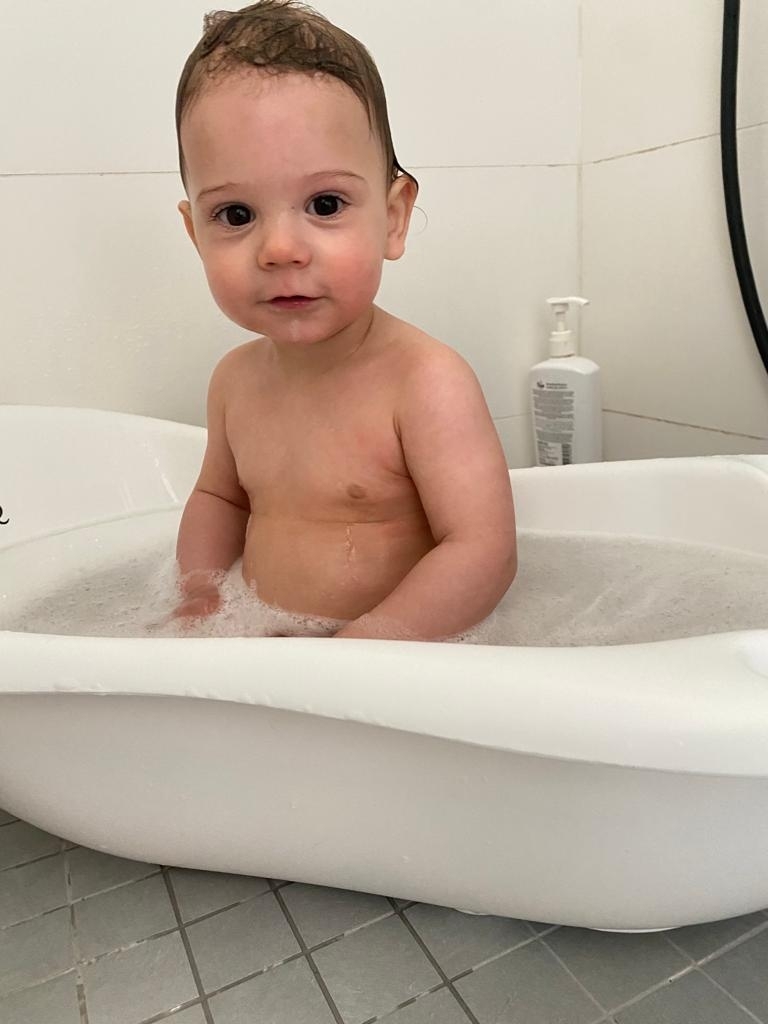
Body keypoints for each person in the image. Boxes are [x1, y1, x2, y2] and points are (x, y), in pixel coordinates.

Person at [171, 0, 517, 640]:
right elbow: (219, 499)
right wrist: (199, 595)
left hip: (399, 667)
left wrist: (359, 653)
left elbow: (482, 551)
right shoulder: (233, 382)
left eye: (325, 204)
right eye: (236, 215)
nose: (280, 249)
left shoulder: (425, 382)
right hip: (268, 657)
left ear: (393, 218)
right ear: (196, 234)